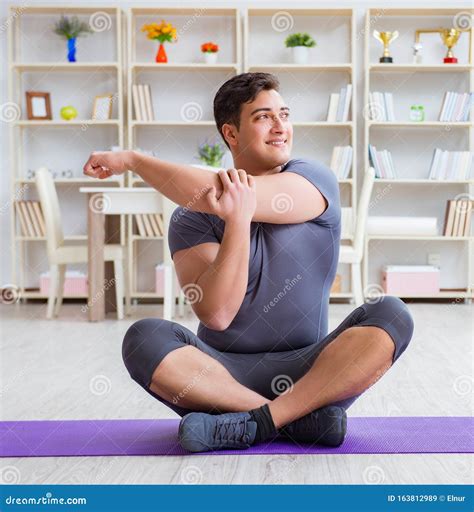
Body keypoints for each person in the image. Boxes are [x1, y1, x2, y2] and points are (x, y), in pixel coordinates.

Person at [83, 72, 414, 453]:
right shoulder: (190, 218)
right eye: (263, 117)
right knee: (143, 338)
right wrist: (237, 222)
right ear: (231, 133)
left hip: (310, 371)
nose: (280, 127)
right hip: (217, 375)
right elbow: (218, 314)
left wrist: (133, 160)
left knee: (392, 314)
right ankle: (297, 420)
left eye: (284, 114)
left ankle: (250, 424)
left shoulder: (314, 179)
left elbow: (230, 193)